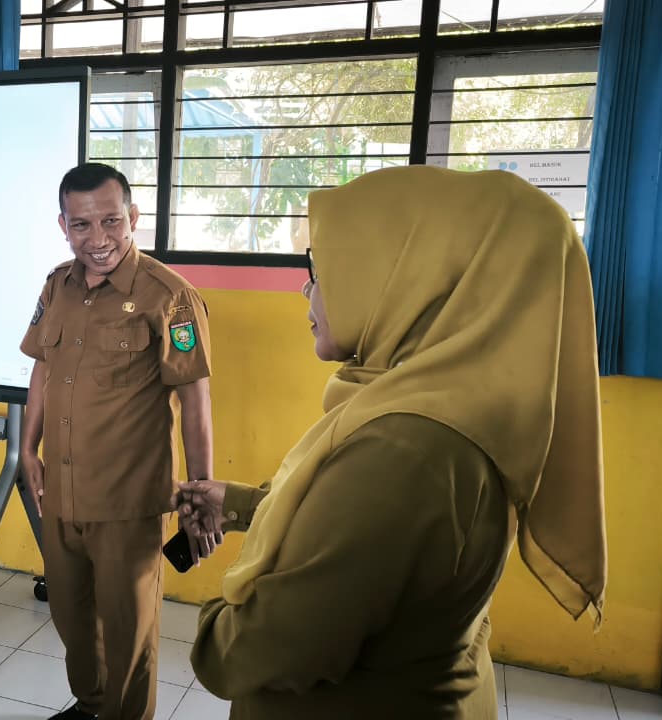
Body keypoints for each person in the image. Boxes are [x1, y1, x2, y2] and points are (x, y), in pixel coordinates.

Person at [174, 166, 607, 719]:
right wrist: (236, 504)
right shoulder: (450, 407)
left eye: (320, 272)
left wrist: (215, 622)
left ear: (397, 278)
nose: (305, 290)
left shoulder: (405, 448)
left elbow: (273, 644)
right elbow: (359, 542)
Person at [19, 163, 216, 720]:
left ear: (133, 217)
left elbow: (195, 399)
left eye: (111, 221)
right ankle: (91, 705)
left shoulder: (169, 296)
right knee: (72, 617)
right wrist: (26, 450)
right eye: (82, 225)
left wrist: (200, 492)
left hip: (127, 501)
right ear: (63, 224)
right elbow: (42, 370)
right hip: (61, 491)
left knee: (130, 634)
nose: (98, 239)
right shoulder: (57, 285)